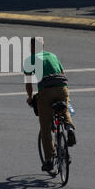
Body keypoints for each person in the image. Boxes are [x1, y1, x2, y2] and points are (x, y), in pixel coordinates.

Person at [24, 37, 76, 173]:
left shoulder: (30, 60)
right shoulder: (53, 55)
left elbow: (28, 84)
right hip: (62, 88)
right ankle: (69, 127)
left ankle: (48, 160)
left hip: (46, 91)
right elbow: (62, 73)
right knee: (64, 109)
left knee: (45, 126)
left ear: (32, 47)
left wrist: (30, 98)